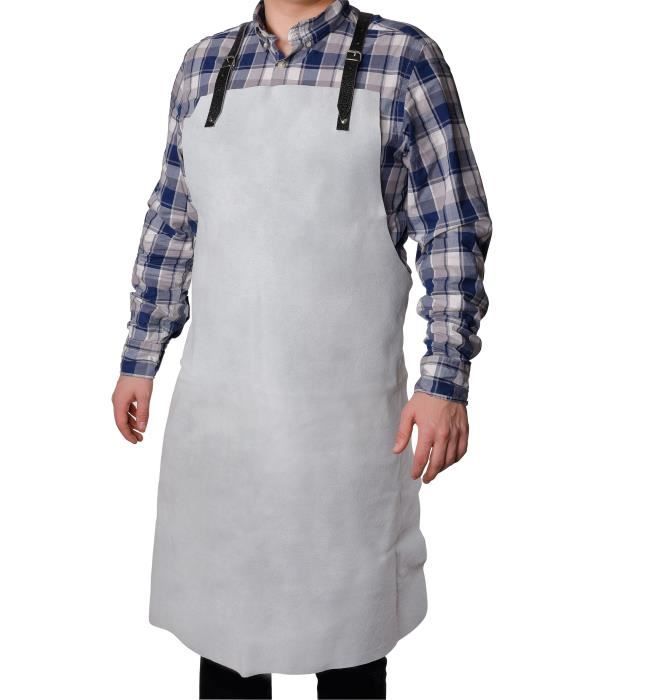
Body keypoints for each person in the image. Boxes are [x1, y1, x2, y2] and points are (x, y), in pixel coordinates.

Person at [111, 0, 491, 697]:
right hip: (222, 420)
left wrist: (444, 377)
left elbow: (453, 231)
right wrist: (141, 353)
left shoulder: (405, 61)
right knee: (226, 636)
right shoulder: (203, 67)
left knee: (350, 643)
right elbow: (172, 220)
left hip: (344, 428)